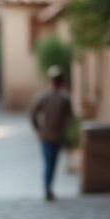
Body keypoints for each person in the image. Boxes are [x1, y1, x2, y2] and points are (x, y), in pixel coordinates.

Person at [29, 65, 75, 202]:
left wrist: (38, 129)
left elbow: (70, 118)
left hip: (52, 136)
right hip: (50, 136)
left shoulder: (62, 98)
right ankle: (48, 189)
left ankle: (48, 188)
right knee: (50, 163)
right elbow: (33, 115)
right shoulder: (48, 97)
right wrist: (38, 129)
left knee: (51, 164)